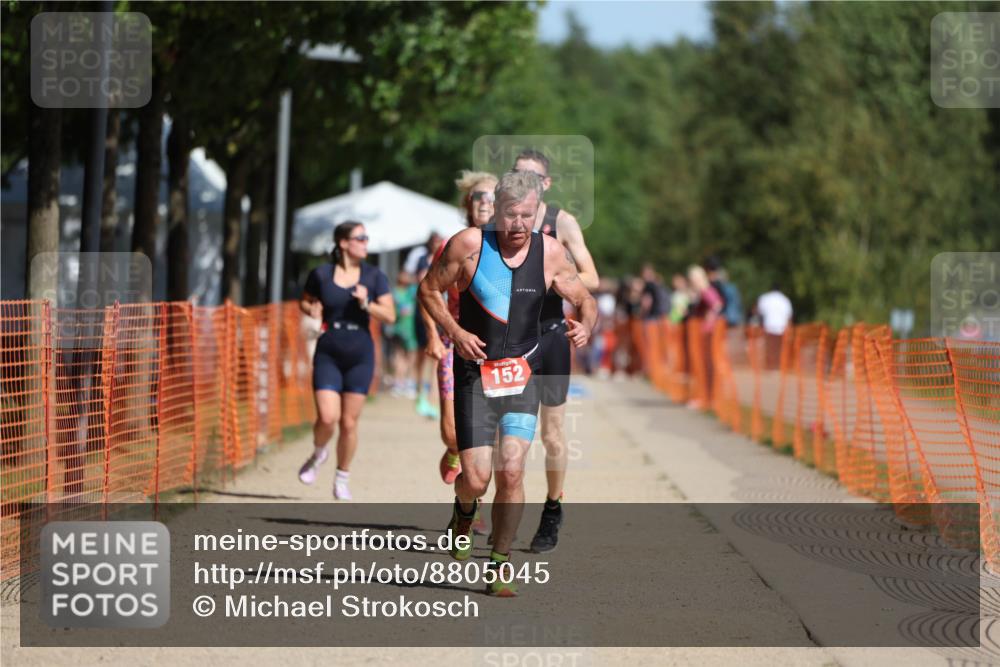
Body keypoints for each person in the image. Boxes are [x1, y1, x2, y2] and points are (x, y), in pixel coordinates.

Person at [418, 170, 597, 596]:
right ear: (496, 210)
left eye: (527, 216)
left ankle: (500, 564)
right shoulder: (469, 245)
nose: (518, 225)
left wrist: (585, 325)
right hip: (474, 374)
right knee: (477, 478)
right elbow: (428, 290)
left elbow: (585, 297)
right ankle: (464, 510)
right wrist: (455, 332)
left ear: (538, 214)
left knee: (512, 471)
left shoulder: (550, 252)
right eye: (511, 215)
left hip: (521, 374)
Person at [513, 149, 600, 554]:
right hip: (509, 339)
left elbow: (591, 276)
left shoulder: (560, 222)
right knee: (509, 435)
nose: (524, 182)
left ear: (545, 184)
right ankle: (491, 510)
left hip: (549, 335)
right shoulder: (502, 220)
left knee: (551, 433)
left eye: (532, 178)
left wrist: (552, 273)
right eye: (517, 175)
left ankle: (552, 509)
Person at [297, 221, 395, 500]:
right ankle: (318, 454)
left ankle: (342, 476)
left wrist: (367, 304)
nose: (366, 242)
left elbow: (390, 316)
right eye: (360, 238)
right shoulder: (321, 274)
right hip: (329, 348)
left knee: (349, 423)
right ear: (343, 243)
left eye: (366, 238)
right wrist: (312, 307)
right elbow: (305, 301)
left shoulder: (374, 276)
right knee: (328, 418)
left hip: (360, 352)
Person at [422, 171, 498, 486]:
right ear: (468, 202)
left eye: (492, 197)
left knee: (488, 433)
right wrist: (432, 336)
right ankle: (454, 450)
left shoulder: (511, 248)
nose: (484, 202)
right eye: (478, 196)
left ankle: (472, 501)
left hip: (495, 348)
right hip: (453, 342)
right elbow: (428, 291)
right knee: (452, 432)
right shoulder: (452, 246)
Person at [687, 265, 723, 410]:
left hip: (705, 334)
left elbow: (717, 305)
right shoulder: (701, 291)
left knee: (705, 366)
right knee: (703, 366)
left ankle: (706, 397)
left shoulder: (705, 290)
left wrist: (709, 321)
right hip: (702, 333)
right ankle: (706, 397)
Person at [756, 284, 793, 370]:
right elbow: (789, 316)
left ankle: (770, 366)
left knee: (769, 348)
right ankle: (778, 366)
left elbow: (760, 312)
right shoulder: (785, 300)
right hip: (782, 328)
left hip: (768, 327)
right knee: (779, 349)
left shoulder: (765, 298)